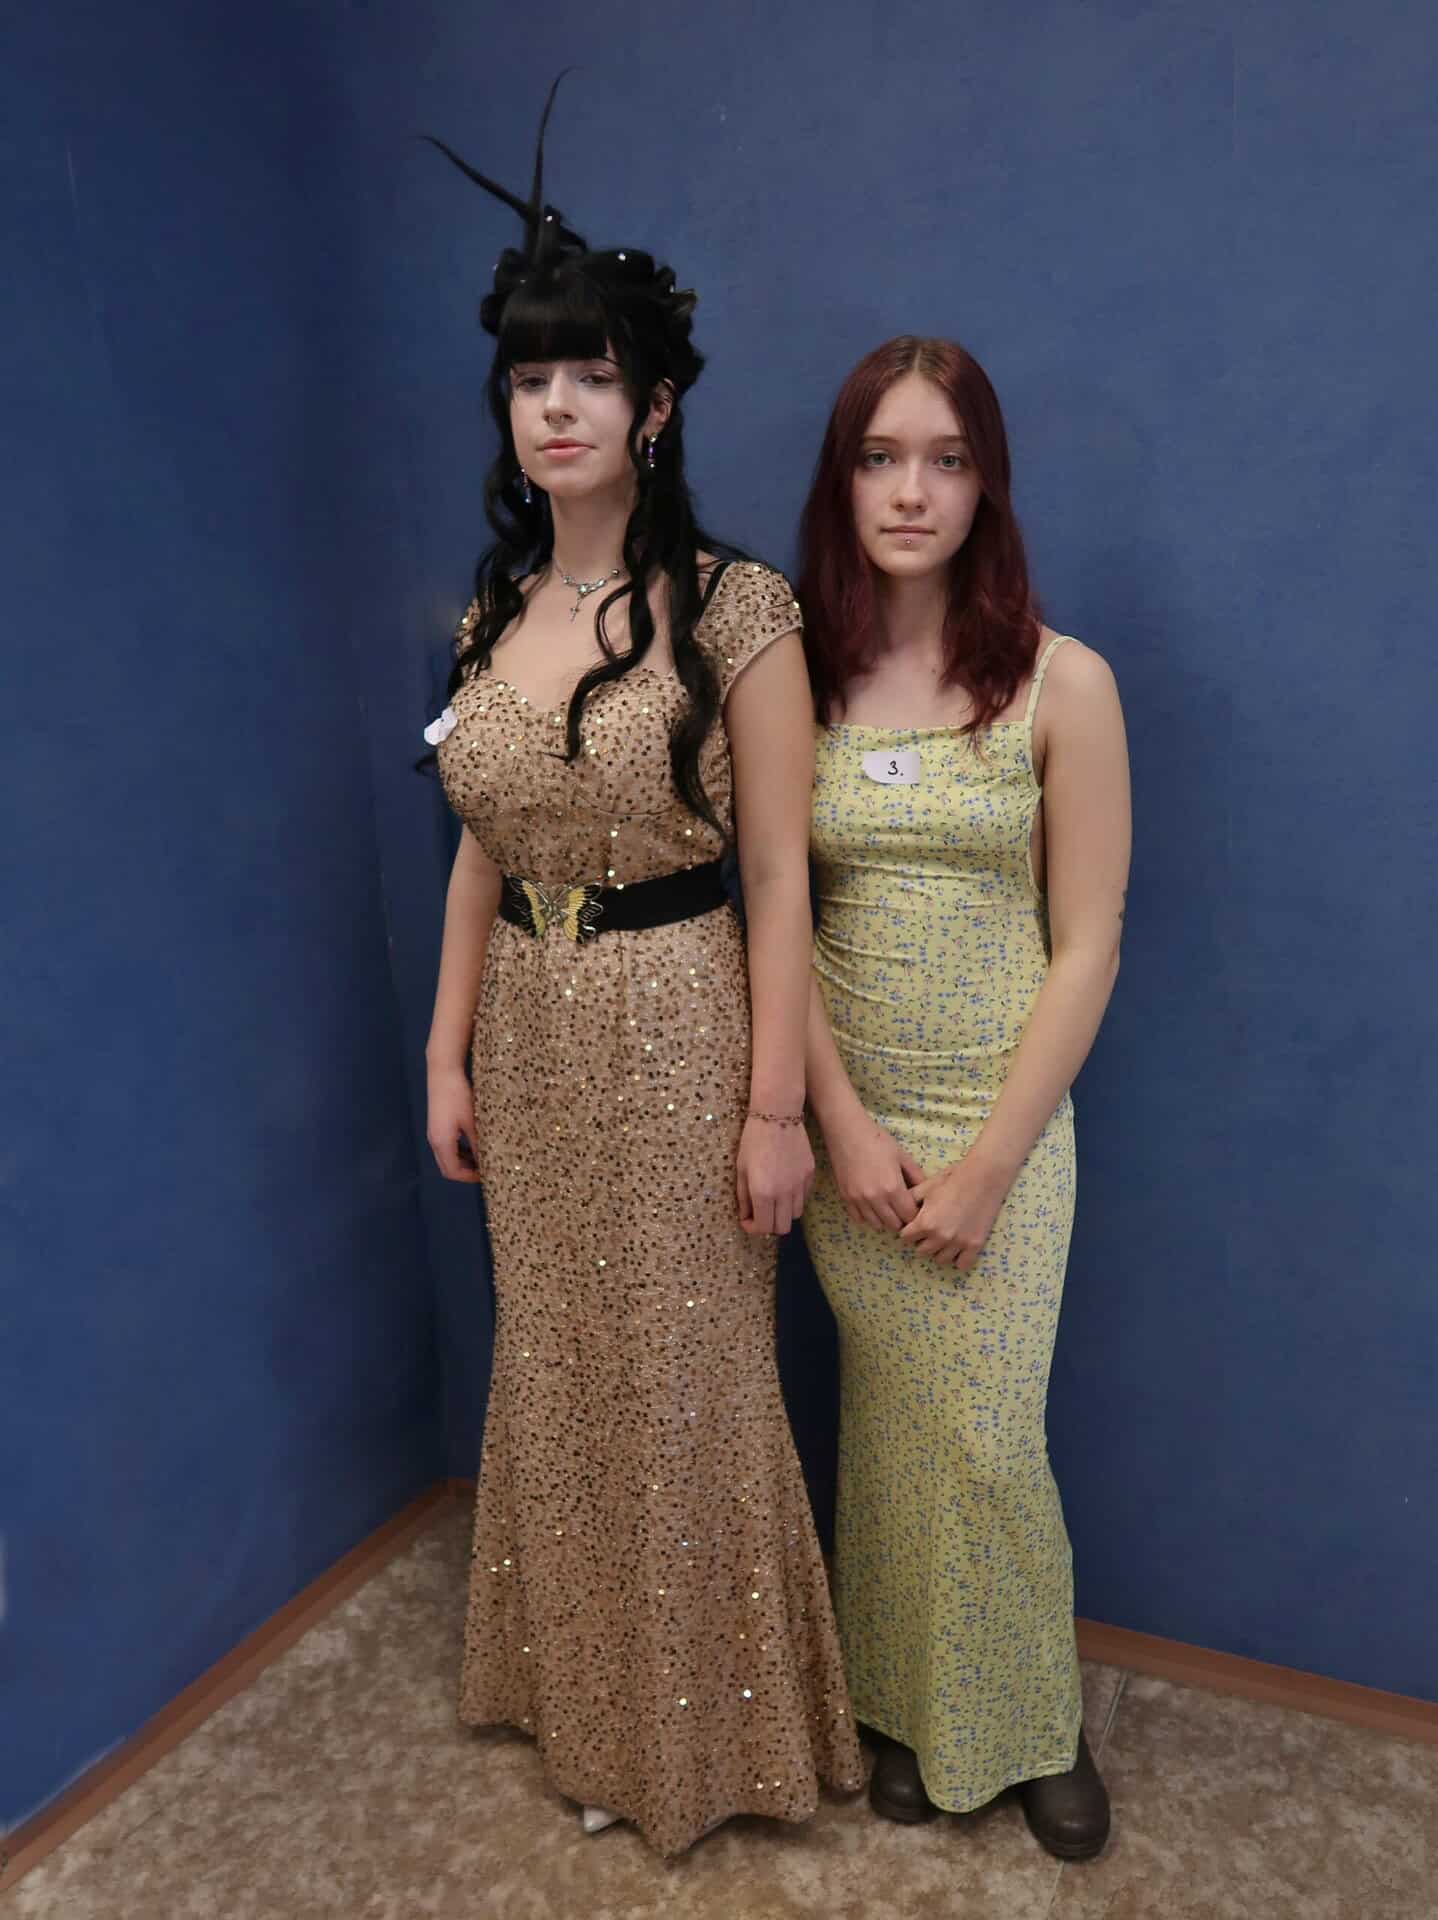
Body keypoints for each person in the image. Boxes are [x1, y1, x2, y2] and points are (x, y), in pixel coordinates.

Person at [420, 91, 862, 1857]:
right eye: (529, 378)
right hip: (526, 1042)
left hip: (684, 1026)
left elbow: (779, 874)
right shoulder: (491, 617)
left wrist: (775, 1109)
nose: (553, 407)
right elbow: (480, 845)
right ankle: (590, 1715)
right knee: (561, 1366)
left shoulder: (739, 611)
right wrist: (443, 1055)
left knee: (684, 1378)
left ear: (652, 405)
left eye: (588, 377)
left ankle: (704, 1747)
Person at [796, 336, 1130, 1858]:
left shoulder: (1066, 682)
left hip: (1004, 1129)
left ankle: (1030, 1724)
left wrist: (992, 1160)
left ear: (986, 482)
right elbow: (771, 918)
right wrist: (837, 1126)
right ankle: (908, 1707)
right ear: (842, 479)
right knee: (893, 1426)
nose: (911, 491)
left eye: (944, 459)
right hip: (847, 1135)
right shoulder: (794, 680)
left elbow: (1090, 942)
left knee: (989, 1440)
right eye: (880, 457)